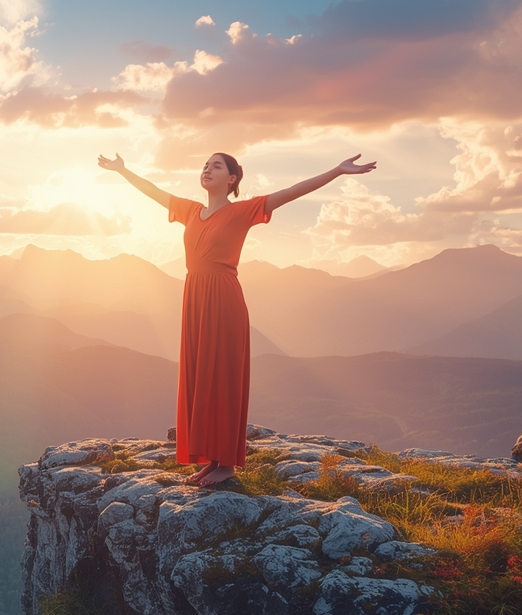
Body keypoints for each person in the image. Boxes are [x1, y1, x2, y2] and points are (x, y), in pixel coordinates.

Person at [97, 151, 377, 486]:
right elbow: (154, 192)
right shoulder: (190, 211)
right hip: (196, 297)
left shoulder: (242, 210)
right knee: (201, 374)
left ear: (232, 180)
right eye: (204, 164)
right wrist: (123, 171)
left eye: (216, 166)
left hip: (223, 298)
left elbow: (291, 192)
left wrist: (337, 171)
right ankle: (211, 458)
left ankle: (227, 464)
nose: (207, 169)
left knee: (223, 376)